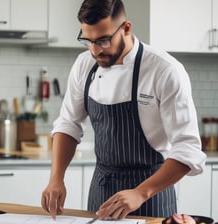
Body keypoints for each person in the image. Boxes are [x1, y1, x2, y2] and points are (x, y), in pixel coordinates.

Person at [41, 0, 206, 220]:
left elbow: (188, 149)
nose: (95, 50)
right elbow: (68, 124)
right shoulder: (84, 65)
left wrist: (141, 192)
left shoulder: (164, 70)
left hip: (151, 195)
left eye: (103, 40)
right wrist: (56, 178)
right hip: (102, 193)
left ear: (126, 28)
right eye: (88, 40)